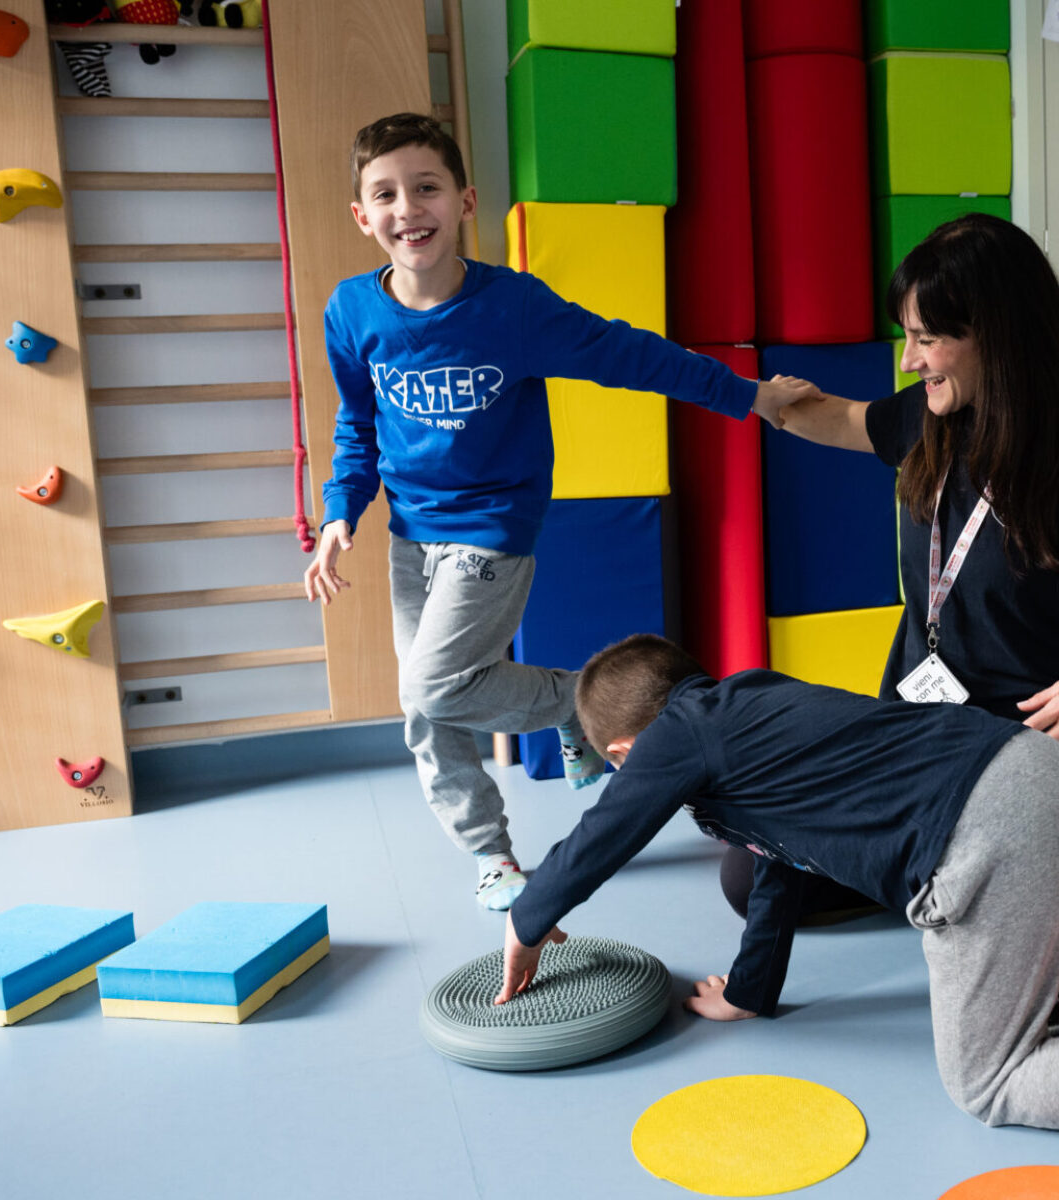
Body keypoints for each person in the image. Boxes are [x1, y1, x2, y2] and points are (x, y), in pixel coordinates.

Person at [497, 635, 1059, 1161]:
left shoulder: (677, 737)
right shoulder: (744, 713)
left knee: (993, 1080)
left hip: (985, 832)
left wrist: (527, 921)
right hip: (1046, 774)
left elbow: (604, 832)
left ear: (626, 752)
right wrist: (751, 990)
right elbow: (776, 862)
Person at [303, 113, 808, 912]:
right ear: (362, 216)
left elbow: (632, 354)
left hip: (491, 528)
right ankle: (492, 853)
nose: (409, 208)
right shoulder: (352, 311)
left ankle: (579, 698)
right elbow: (355, 425)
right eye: (387, 195)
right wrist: (340, 512)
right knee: (426, 707)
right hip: (410, 534)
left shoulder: (512, 308)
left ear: (465, 201)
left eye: (427, 187)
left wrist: (750, 397)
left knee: (431, 688)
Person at [720, 211, 1059, 920]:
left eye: (927, 339)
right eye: (908, 337)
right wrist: (749, 395)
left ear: (997, 336)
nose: (909, 361)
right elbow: (833, 417)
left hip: (1030, 759)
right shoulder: (928, 420)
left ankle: (965, 864)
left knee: (960, 864)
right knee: (752, 869)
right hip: (917, 741)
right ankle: (948, 869)